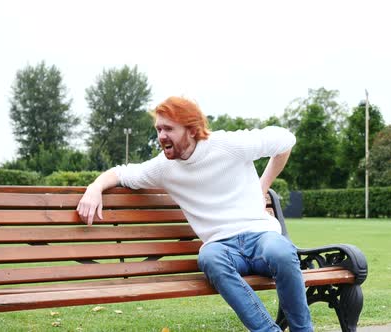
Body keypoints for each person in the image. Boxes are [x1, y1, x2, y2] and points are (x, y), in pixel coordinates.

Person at [76, 96, 313, 332]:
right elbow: (121, 173)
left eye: (168, 129)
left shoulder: (230, 144)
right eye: (158, 129)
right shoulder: (164, 167)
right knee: (209, 257)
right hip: (222, 247)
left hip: (261, 236)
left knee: (280, 252)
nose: (161, 136)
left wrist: (263, 185)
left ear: (191, 129)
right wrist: (95, 187)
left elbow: (285, 140)